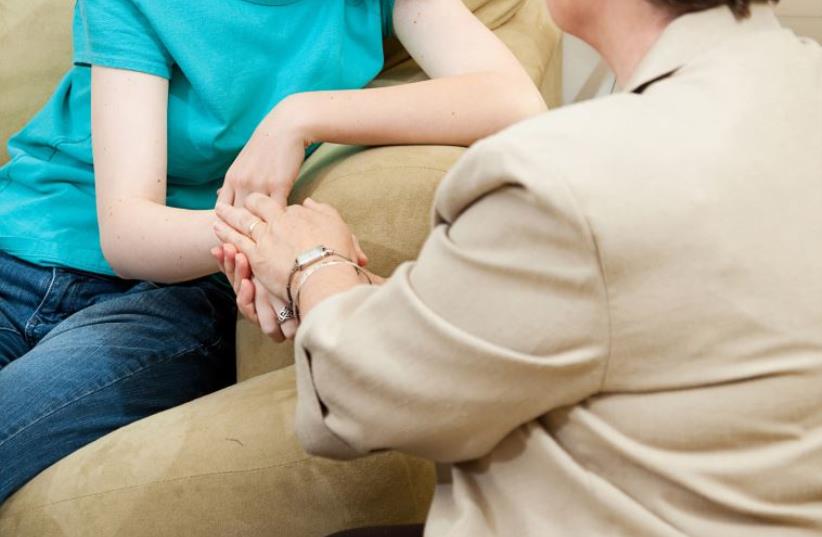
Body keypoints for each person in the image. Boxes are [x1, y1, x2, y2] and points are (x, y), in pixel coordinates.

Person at [214, 0, 822, 535]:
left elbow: (367, 398)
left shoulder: (563, 176)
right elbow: (591, 310)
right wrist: (362, 287)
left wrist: (311, 266)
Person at [0, 0, 546, 503]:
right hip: (22, 250)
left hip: (177, 293)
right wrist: (274, 243)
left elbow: (514, 100)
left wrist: (298, 115)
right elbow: (129, 232)